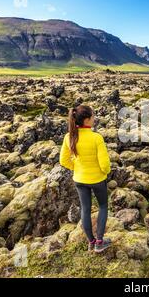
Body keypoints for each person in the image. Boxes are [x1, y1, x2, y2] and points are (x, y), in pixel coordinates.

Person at [60, 105, 112, 253]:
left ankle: (91, 241)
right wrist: (105, 173)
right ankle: (100, 242)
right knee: (102, 206)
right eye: (93, 117)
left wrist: (76, 168)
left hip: (79, 179)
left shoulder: (69, 137)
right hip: (97, 179)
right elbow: (105, 164)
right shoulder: (96, 138)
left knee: (85, 209)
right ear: (87, 120)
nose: (94, 119)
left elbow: (63, 160)